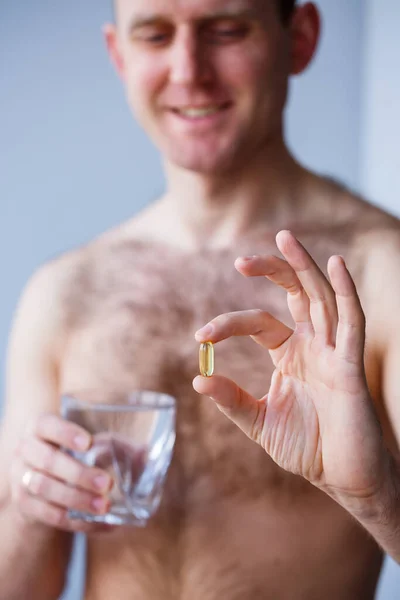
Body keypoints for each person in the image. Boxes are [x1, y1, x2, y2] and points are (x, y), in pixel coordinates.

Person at [0, 0, 399, 598]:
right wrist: (30, 511)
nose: (188, 70)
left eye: (226, 30)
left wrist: (377, 499)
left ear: (300, 38)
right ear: (120, 55)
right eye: (156, 35)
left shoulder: (379, 275)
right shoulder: (63, 293)